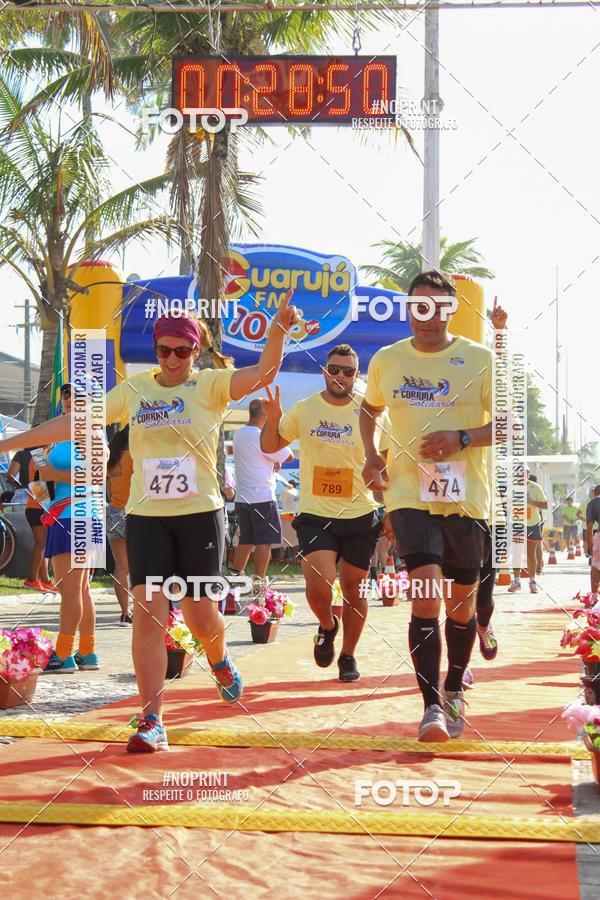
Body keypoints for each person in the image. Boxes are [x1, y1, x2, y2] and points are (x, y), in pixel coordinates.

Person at [0, 296, 299, 752]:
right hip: (147, 518)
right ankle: (151, 719)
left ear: (195, 351)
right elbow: (75, 421)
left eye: (182, 351)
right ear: (156, 350)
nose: (172, 359)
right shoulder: (134, 390)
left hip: (199, 516)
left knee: (200, 616)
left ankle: (219, 659)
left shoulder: (211, 385)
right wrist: (9, 444)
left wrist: (277, 330)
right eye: (164, 350)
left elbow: (263, 373)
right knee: (149, 615)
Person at [360, 270, 493, 741]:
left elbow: (510, 424)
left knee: (460, 606)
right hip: (407, 493)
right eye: (419, 307)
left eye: (439, 308)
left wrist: (462, 438)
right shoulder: (387, 359)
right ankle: (432, 707)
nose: (428, 317)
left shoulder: (479, 360)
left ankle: (454, 685)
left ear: (452, 310)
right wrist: (372, 455)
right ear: (408, 309)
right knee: (425, 593)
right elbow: (369, 409)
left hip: (465, 499)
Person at [261, 343, 382, 683]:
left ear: (356, 375)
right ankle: (328, 625)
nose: (340, 376)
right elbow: (269, 446)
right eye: (334, 369)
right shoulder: (306, 409)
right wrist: (273, 420)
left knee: (355, 589)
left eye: (348, 371)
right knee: (318, 583)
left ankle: (348, 655)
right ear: (325, 371)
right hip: (316, 513)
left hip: (360, 512)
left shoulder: (371, 411)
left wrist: (390, 503)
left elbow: (386, 459)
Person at [37, 381, 102, 673]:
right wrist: (44, 473)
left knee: (71, 588)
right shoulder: (64, 432)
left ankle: (63, 653)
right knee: (81, 588)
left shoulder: (89, 431)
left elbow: (93, 474)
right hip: (71, 513)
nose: (68, 398)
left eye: (76, 395)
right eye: (65, 393)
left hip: (75, 515)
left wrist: (52, 472)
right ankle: (87, 651)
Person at [231, 399, 293, 580]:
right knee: (264, 542)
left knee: (246, 540)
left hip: (242, 497)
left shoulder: (239, 433)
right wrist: (275, 430)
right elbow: (288, 455)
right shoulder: (260, 435)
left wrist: (272, 460)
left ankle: (236, 577)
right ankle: (258, 579)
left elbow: (259, 456)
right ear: (266, 415)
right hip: (262, 496)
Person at [7, 446, 55, 592]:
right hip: (38, 506)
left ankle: (44, 580)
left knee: (41, 545)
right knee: (40, 545)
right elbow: (41, 481)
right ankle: (32, 580)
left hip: (37, 505)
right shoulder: (40, 456)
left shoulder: (40, 454)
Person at [106, 426, 133, 625]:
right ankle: (144, 609)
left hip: (113, 512)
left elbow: (108, 491)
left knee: (121, 567)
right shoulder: (135, 456)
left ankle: (125, 613)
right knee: (142, 565)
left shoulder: (111, 460)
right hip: (134, 513)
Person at [508, 470, 548, 594]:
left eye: (523, 473)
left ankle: (532, 582)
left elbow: (545, 505)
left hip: (533, 524)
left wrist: (531, 502)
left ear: (528, 474)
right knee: (517, 553)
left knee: (531, 554)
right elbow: (505, 503)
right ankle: (516, 581)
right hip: (517, 522)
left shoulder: (535, 487)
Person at [586, 484, 600, 593]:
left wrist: (590, 545)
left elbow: (589, 528)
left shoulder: (593, 503)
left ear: (595, 493)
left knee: (595, 565)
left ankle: (594, 595)